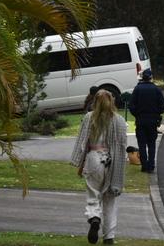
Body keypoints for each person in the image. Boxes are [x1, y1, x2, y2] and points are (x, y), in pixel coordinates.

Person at [71, 90, 128, 245]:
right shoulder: (119, 120)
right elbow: (122, 146)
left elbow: (83, 143)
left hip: (93, 159)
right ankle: (109, 236)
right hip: (111, 160)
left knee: (93, 194)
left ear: (94, 102)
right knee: (110, 199)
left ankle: (94, 218)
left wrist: (79, 163)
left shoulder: (89, 118)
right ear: (112, 101)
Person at [129, 68, 164, 173]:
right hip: (153, 121)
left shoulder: (137, 89)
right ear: (150, 77)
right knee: (151, 143)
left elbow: (131, 105)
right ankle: (151, 165)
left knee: (141, 144)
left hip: (141, 120)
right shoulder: (156, 89)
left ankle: (144, 165)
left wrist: (137, 114)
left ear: (142, 77)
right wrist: (157, 113)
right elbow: (162, 105)